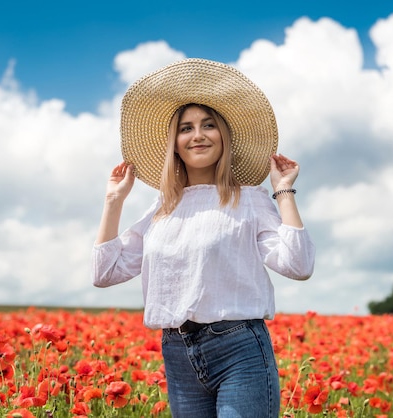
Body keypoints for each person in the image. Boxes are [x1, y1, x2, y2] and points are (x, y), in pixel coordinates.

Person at [91, 58, 315, 417]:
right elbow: (105, 273)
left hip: (240, 349)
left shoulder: (249, 198)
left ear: (223, 137)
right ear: (174, 144)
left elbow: (298, 264)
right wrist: (113, 201)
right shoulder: (162, 209)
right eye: (186, 128)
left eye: (208, 125)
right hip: (177, 353)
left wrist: (283, 191)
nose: (198, 135)